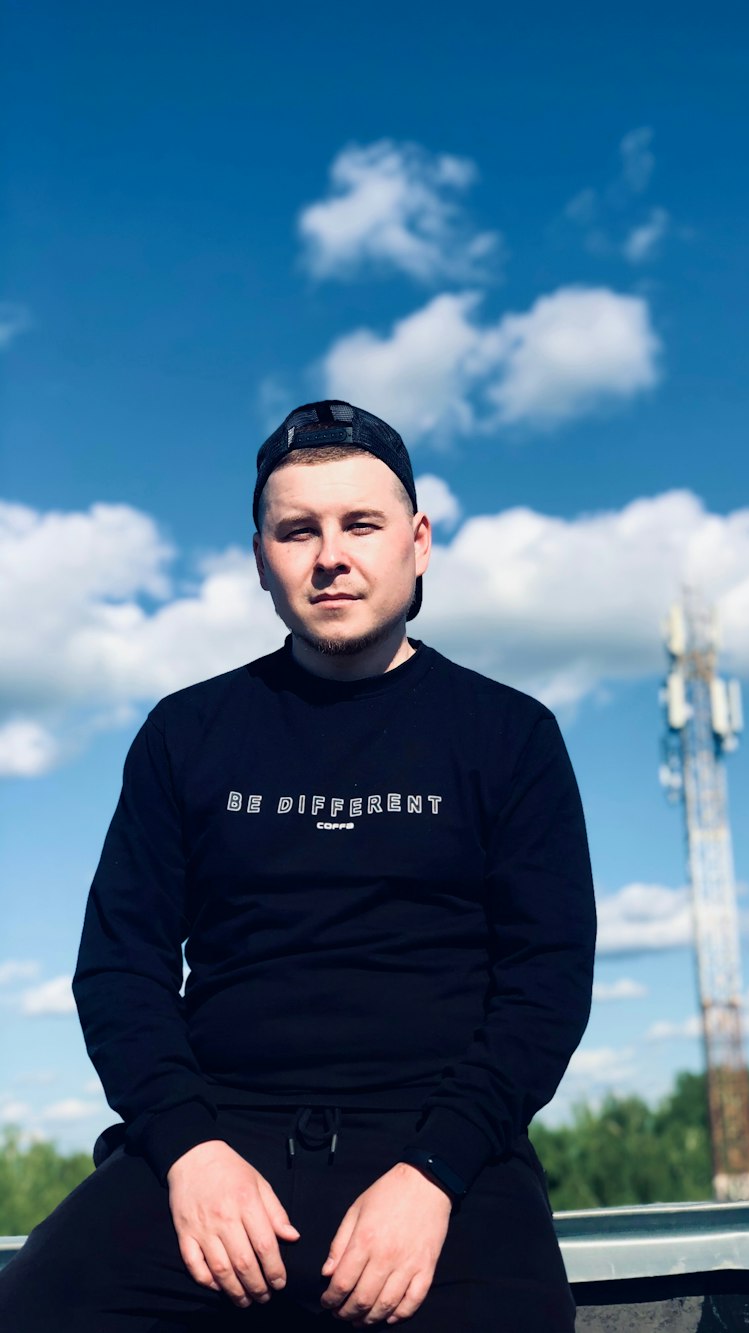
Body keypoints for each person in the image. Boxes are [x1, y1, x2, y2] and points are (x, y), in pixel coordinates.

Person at [0, 400, 596, 1331]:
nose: (330, 554)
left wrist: (434, 1173)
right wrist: (189, 1149)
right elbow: (121, 972)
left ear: (419, 541)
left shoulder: (508, 735)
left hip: (443, 1151)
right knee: (36, 1306)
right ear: (260, 558)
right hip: (217, 1140)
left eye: (361, 523)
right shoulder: (185, 734)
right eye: (298, 529)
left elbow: (546, 987)